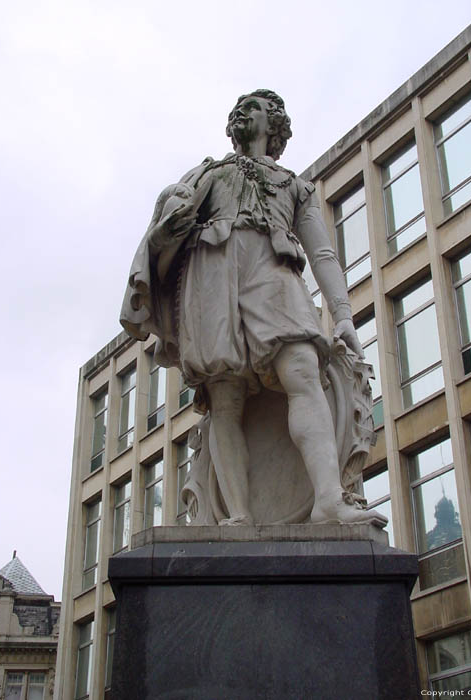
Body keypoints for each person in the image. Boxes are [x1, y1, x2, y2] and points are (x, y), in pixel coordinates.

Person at [121, 89, 383, 526]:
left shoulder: (295, 186)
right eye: (239, 106)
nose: (243, 110)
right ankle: (237, 515)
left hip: (272, 271)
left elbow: (322, 255)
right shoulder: (208, 174)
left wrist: (343, 317)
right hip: (212, 276)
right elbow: (163, 233)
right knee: (225, 397)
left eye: (255, 106)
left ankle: (328, 500)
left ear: (274, 124)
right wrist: (168, 226)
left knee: (302, 368)